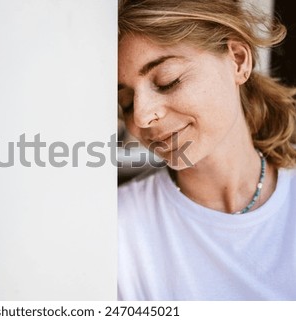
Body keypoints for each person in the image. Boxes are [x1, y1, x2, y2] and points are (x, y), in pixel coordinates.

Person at [117, 0, 296, 300]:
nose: (141, 116)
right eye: (126, 102)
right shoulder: (121, 229)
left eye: (167, 81)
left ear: (238, 60)